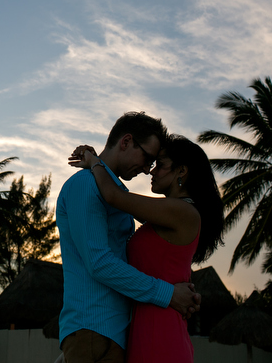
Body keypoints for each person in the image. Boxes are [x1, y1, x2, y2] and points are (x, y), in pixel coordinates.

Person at [56, 112, 203, 363]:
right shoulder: (85, 185)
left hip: (114, 334)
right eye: (147, 158)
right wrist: (168, 293)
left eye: (155, 163)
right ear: (126, 142)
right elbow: (99, 262)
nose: (148, 170)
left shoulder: (112, 191)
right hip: (94, 330)